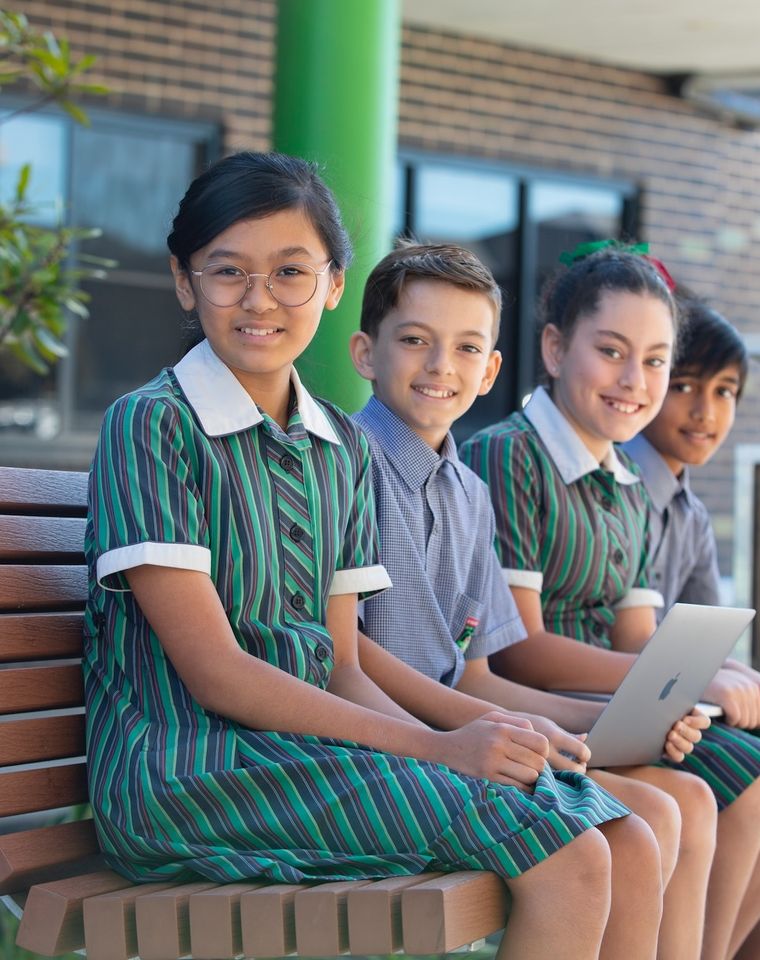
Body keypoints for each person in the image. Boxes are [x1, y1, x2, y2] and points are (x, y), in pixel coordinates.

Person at [83, 152, 649, 960]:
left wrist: (482, 737)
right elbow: (214, 671)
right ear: (184, 283)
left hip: (305, 755)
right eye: (226, 271)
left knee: (611, 831)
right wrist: (440, 747)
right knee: (573, 855)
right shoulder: (153, 426)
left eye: (289, 272)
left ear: (334, 284)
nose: (258, 299)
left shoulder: (337, 446)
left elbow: (343, 662)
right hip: (189, 773)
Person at [349, 241, 710, 959]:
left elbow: (478, 674)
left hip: (463, 729)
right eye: (415, 340)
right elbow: (345, 658)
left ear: (490, 370)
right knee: (612, 842)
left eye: (466, 349)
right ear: (365, 352)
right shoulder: (342, 465)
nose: (439, 367)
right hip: (386, 746)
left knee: (647, 829)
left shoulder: (467, 492)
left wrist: (610, 718)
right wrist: (499, 730)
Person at [460, 245, 760, 960]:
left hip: (616, 722)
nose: (636, 381)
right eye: (613, 352)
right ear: (556, 348)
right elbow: (517, 648)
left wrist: (688, 683)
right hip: (537, 717)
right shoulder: (509, 456)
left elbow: (635, 641)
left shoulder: (624, 477)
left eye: (656, 360)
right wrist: (684, 679)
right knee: (723, 793)